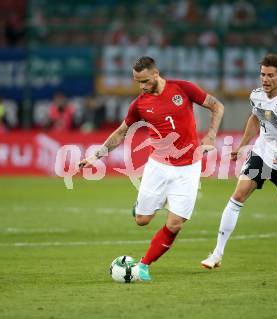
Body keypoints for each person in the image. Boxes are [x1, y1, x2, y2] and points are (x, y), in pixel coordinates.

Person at [78, 56, 224, 281]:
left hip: (188, 168)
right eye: (138, 82)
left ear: (156, 74)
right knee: (142, 220)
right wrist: (96, 155)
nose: (142, 86)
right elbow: (120, 132)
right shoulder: (139, 104)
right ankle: (143, 205)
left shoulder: (183, 88)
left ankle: (144, 264)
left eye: (145, 81)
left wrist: (211, 135)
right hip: (159, 166)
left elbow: (217, 106)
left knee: (175, 224)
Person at [201, 53, 277, 268]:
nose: (265, 79)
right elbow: (255, 119)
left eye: (270, 75)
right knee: (237, 196)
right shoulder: (256, 96)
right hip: (262, 154)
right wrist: (243, 145)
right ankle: (217, 254)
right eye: (262, 74)